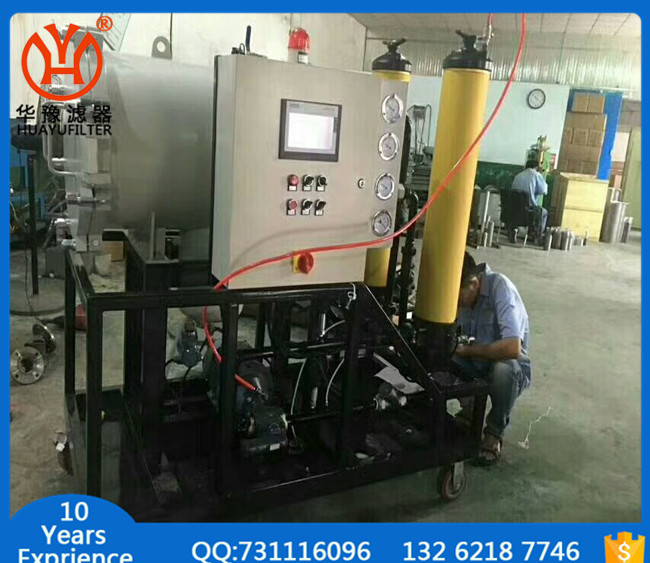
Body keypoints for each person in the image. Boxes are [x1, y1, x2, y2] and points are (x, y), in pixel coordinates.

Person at [454, 252, 532, 465]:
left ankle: (494, 433)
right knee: (442, 353)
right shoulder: (463, 296)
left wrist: (470, 351)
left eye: (458, 297)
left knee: (504, 370)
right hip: (475, 360)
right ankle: (470, 411)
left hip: (506, 365)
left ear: (474, 283)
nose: (456, 303)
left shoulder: (501, 289)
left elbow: (512, 348)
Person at [511, 159, 548, 237]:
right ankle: (536, 234)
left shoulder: (518, 175)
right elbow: (544, 191)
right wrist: (541, 176)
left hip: (514, 208)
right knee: (544, 212)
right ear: (536, 167)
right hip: (528, 209)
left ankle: (513, 229)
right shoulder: (536, 175)